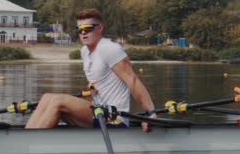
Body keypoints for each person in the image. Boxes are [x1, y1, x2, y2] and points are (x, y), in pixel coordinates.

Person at [25, 8, 157, 132]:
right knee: (46, 97)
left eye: (88, 28)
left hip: (114, 119)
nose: (83, 32)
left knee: (58, 101)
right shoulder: (84, 52)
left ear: (100, 28)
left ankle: (30, 142)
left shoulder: (110, 49)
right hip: (98, 114)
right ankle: (26, 136)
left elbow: (133, 81)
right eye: (79, 29)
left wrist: (151, 114)